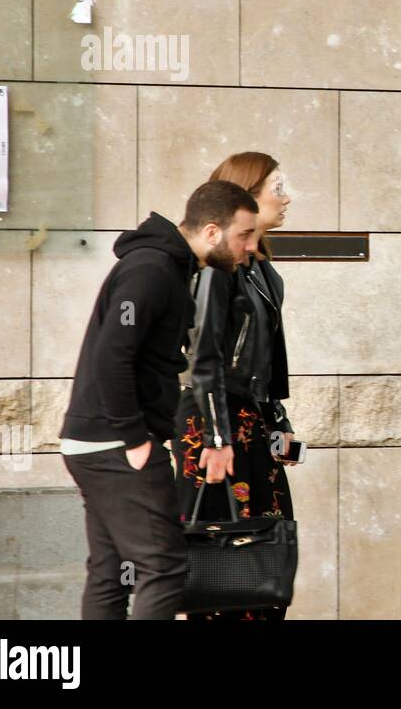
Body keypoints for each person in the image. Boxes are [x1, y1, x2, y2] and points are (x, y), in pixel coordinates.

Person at [60, 181, 259, 620]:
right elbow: (112, 355)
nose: (252, 247)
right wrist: (135, 439)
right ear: (212, 231)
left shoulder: (168, 268)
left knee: (112, 571)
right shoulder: (152, 271)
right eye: (245, 235)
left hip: (97, 442)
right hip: (115, 445)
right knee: (164, 566)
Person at [174, 152, 297, 620]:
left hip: (251, 421)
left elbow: (261, 361)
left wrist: (279, 421)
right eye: (277, 186)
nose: (286, 197)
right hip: (217, 423)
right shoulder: (219, 267)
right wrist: (216, 436)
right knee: (223, 562)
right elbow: (203, 358)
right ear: (246, 195)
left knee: (266, 563)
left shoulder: (261, 269)